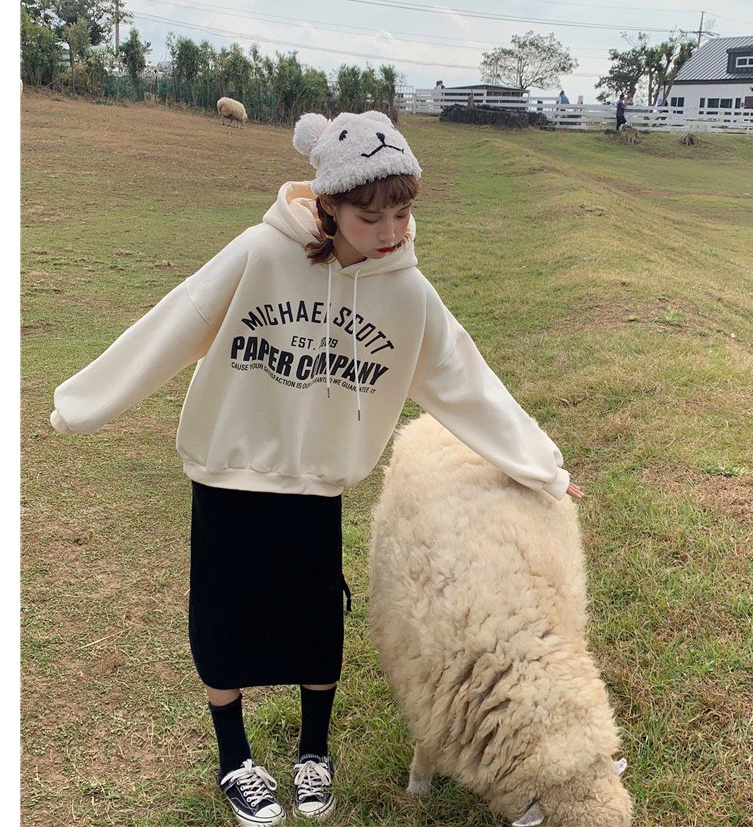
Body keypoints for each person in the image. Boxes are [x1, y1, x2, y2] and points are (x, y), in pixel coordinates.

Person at [49, 109, 584, 827]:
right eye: (370, 217)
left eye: (401, 213)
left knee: (316, 627)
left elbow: (465, 381)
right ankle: (235, 759)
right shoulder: (259, 254)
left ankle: (313, 754)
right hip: (229, 474)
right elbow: (176, 320)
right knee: (222, 625)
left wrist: (543, 467)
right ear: (328, 206)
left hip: (316, 484)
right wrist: (84, 403)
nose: (390, 232)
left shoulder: (406, 293)